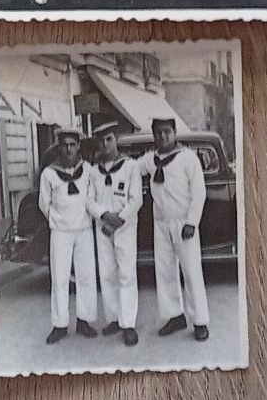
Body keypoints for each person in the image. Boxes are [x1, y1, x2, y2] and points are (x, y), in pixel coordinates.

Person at [136, 119, 209, 341]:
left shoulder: (187, 158)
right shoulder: (150, 159)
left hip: (183, 223)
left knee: (191, 272)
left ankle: (200, 321)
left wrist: (191, 222)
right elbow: (131, 170)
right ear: (154, 136)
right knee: (165, 272)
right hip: (161, 224)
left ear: (175, 133)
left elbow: (199, 192)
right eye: (158, 133)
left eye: (167, 132)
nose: (163, 137)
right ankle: (175, 316)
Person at [38, 125, 98, 344]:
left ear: (78, 146)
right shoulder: (49, 174)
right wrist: (58, 220)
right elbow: (45, 204)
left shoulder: (88, 170)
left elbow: (92, 197)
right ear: (59, 148)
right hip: (61, 232)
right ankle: (60, 324)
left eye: (73, 145)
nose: (69, 149)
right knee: (60, 278)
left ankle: (84, 320)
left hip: (83, 230)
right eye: (65, 145)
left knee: (86, 276)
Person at [86, 122, 142, 347]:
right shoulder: (93, 170)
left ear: (116, 140)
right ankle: (114, 319)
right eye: (101, 141)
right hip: (103, 227)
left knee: (127, 274)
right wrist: (104, 215)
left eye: (109, 139)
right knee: (107, 274)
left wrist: (118, 220)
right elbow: (89, 201)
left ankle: (128, 324)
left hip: (125, 227)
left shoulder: (130, 166)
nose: (105, 144)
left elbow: (136, 199)